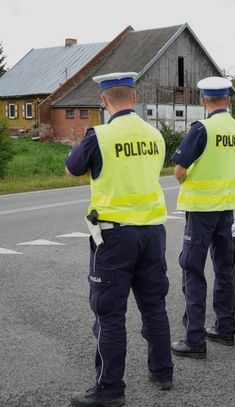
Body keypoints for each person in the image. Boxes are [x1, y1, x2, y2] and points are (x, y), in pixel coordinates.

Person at [65, 72, 173, 407]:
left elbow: (72, 168)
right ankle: (163, 371)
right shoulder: (156, 135)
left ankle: (109, 390)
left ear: (104, 100)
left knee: (109, 314)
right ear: (135, 97)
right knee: (154, 305)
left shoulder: (99, 135)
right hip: (153, 232)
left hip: (113, 236)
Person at [170, 76, 235, 359]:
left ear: (203, 101)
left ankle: (194, 341)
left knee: (193, 270)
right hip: (226, 209)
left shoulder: (201, 128)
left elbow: (179, 169)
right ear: (228, 99)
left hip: (201, 211)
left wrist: (190, 180)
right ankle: (225, 329)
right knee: (224, 269)